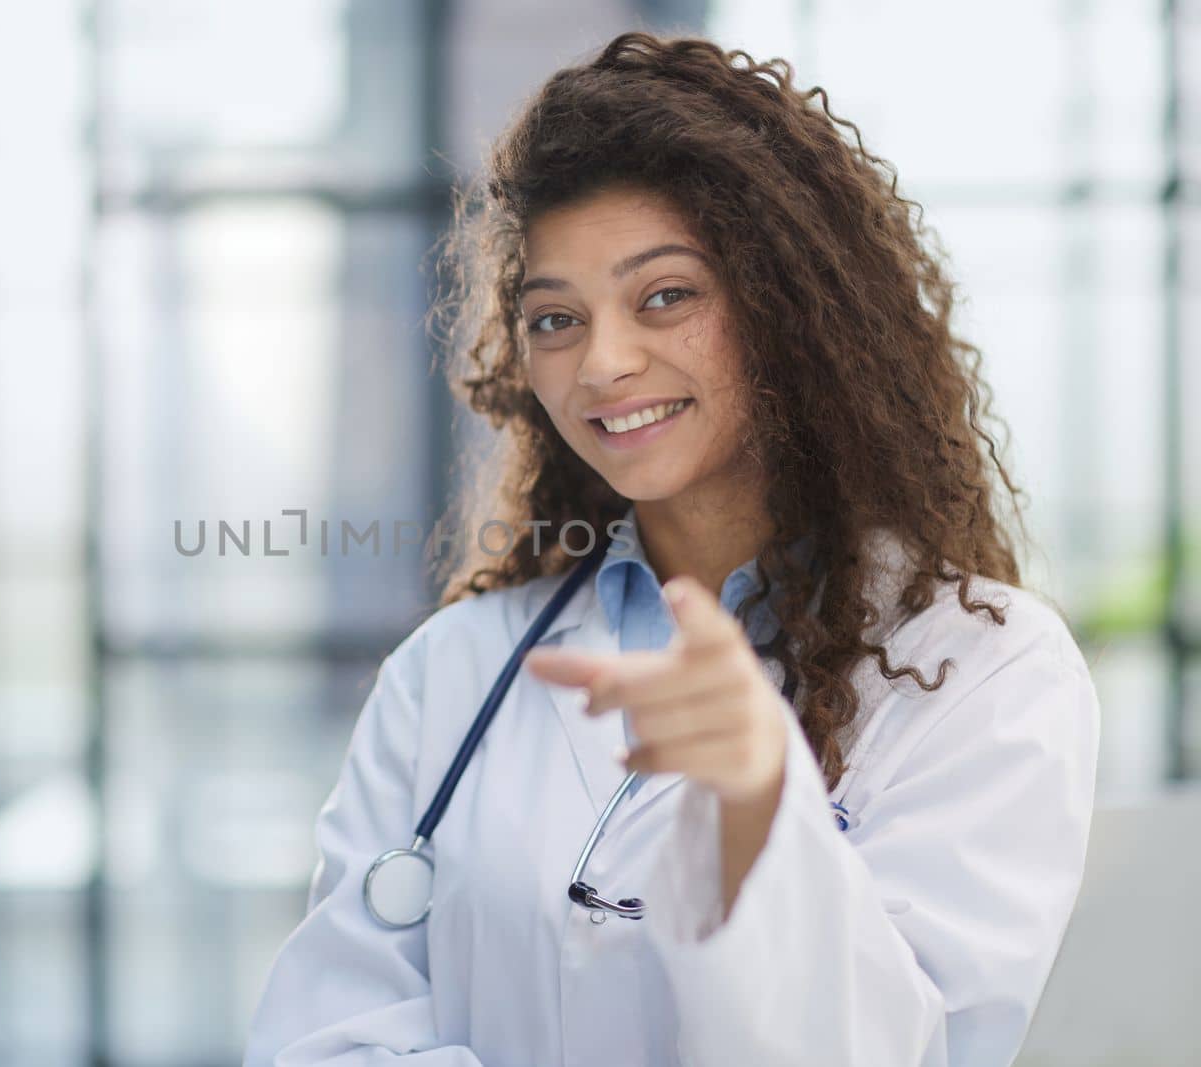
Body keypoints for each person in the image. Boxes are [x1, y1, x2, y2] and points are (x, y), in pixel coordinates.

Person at [242, 31, 1098, 1067]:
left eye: (664, 296)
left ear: (786, 307)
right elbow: (325, 1035)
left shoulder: (984, 668)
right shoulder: (449, 674)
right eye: (555, 318)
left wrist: (759, 806)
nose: (602, 362)